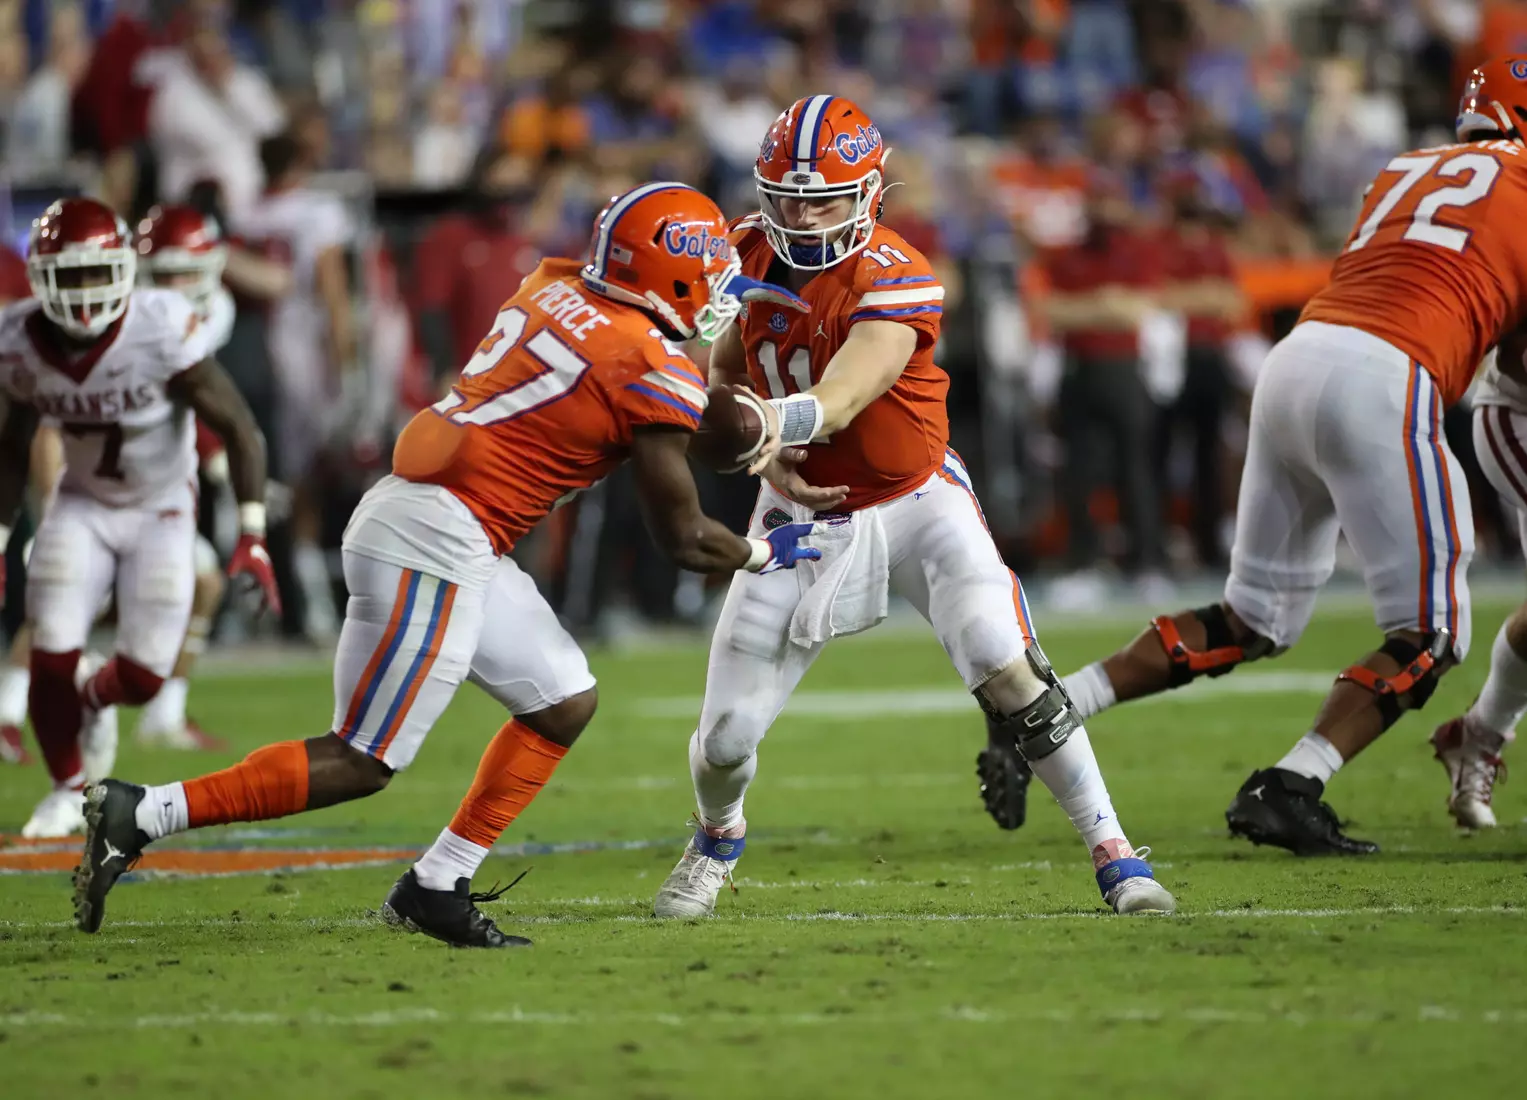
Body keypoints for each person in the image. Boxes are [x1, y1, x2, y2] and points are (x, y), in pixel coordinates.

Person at [73, 183, 820, 947]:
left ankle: (437, 883)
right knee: (362, 759)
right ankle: (143, 812)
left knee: (562, 698)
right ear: (671, 275)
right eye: (713, 276)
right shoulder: (645, 363)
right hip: (437, 536)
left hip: (441, 520)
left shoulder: (553, 283)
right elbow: (686, 538)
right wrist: (764, 550)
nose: (721, 294)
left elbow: (620, 389)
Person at [652, 96, 1176, 921]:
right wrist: (749, 442)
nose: (798, 214)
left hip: (916, 501)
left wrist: (767, 426)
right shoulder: (744, 251)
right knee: (724, 741)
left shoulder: (898, 273)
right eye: (784, 196)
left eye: (821, 198)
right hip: (797, 518)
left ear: (870, 193)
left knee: (1010, 672)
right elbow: (715, 374)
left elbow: (846, 394)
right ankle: (717, 836)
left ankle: (1114, 852)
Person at [1059, 58, 1527, 855]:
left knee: (1253, 617)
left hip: (1298, 355)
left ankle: (1053, 702)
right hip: (1388, 374)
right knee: (1433, 633)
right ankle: (1294, 780)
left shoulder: (1405, 169)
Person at [0, 197, 279, 839]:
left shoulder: (161, 324)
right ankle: (66, 787)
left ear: (125, 270)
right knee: (49, 647)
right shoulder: (20, 341)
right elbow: (12, 446)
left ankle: (94, 697)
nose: (84, 291)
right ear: (40, 277)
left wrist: (254, 532)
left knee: (147, 676)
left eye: (95, 273)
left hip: (162, 510)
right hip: (82, 503)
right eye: (68, 275)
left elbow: (238, 427)